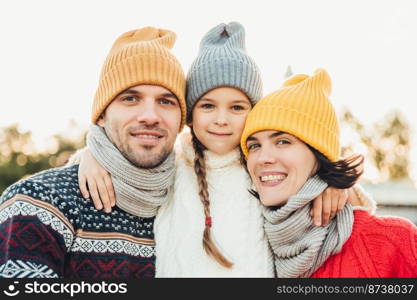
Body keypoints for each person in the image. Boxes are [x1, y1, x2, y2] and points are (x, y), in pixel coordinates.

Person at [73, 23, 373, 277]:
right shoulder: (171, 163)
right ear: (189, 113)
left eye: (237, 107)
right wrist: (91, 155)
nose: (221, 119)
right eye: (207, 106)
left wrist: (338, 187)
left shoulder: (264, 171)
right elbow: (126, 162)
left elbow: (352, 207)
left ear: (253, 113)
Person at [0, 26, 187, 278]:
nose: (150, 116)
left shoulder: (195, 206)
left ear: (182, 119)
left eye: (166, 101)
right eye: (130, 98)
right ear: (101, 115)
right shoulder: (39, 203)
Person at [241, 68, 417, 277]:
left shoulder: (393, 241)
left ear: (319, 154)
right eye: (254, 146)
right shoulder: (246, 239)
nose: (263, 158)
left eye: (283, 141)